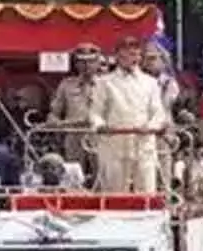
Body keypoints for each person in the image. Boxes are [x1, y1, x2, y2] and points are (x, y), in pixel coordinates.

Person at [88, 36, 167, 192]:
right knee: (114, 193)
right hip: (114, 145)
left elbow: (158, 113)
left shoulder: (150, 83)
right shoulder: (104, 82)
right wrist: (101, 126)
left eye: (134, 54)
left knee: (146, 193)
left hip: (143, 145)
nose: (130, 58)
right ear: (117, 56)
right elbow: (95, 113)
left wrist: (150, 127)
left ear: (139, 56)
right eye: (125, 55)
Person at [47, 42, 101, 177]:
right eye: (82, 62)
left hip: (99, 136)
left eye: (90, 61)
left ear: (97, 63)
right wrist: (58, 123)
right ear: (76, 64)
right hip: (74, 135)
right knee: (73, 177)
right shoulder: (66, 85)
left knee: (101, 177)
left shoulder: (106, 84)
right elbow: (53, 114)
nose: (86, 66)